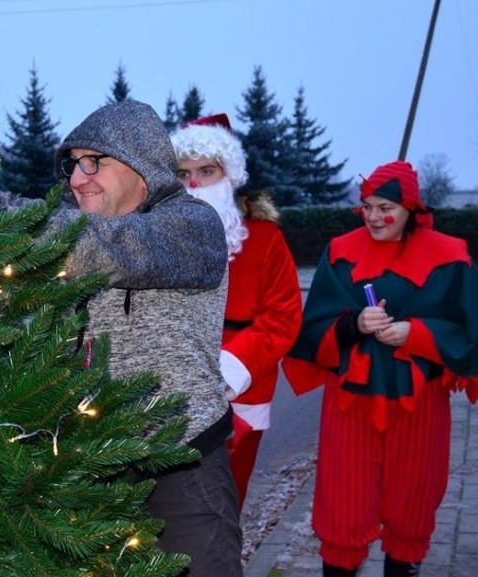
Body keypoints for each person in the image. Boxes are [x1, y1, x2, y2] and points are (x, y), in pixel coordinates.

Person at [0, 100, 243, 577]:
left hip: (184, 470)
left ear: (140, 162)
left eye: (93, 162)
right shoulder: (67, 218)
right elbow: (15, 210)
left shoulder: (192, 225)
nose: (77, 179)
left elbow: (106, 247)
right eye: (71, 166)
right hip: (84, 470)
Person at [281, 160, 478, 577]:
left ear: (411, 208)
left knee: (413, 502)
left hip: (419, 402)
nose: (373, 216)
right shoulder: (339, 252)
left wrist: (417, 334)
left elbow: (474, 329)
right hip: (351, 404)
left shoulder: (450, 257)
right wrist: (353, 324)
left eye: (384, 206)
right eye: (367, 206)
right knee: (343, 508)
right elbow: (313, 328)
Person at [170, 113, 302, 512]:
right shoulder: (160, 236)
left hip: (241, 390)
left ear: (228, 176)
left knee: (224, 504)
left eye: (206, 171)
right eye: (183, 173)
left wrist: (230, 369)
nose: (194, 184)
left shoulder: (264, 239)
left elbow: (283, 316)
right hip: (172, 388)